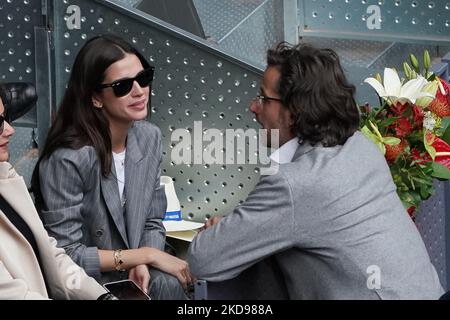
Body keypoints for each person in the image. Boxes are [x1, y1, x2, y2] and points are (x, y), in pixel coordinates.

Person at [187, 42, 445, 299]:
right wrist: (245, 229)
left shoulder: (298, 183)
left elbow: (203, 259)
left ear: (294, 113)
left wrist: (232, 232)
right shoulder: (359, 146)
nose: (253, 107)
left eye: (263, 98)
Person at [32, 35, 190, 300]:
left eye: (144, 77)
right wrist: (143, 255)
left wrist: (140, 261)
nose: (139, 91)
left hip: (134, 275)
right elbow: (66, 254)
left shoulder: (148, 137)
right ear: (96, 97)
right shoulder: (68, 158)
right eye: (122, 86)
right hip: (89, 285)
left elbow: (151, 220)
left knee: (169, 284)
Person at [0, 86, 107, 300]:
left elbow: (51, 255)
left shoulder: (5, 178)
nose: (10, 129)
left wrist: (100, 296)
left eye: (5, 117)